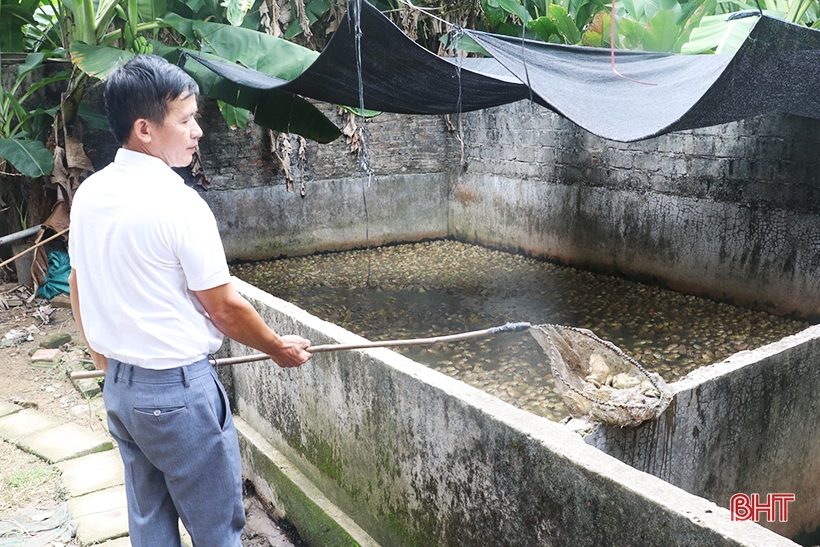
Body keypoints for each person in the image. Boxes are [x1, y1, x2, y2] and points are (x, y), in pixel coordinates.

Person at [67, 54, 313, 547]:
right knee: (217, 529)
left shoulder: (91, 193)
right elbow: (223, 307)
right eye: (186, 119)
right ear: (145, 129)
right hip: (178, 394)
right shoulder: (179, 204)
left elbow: (78, 284)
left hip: (122, 390)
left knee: (150, 522)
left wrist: (106, 360)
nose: (197, 130)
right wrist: (275, 348)